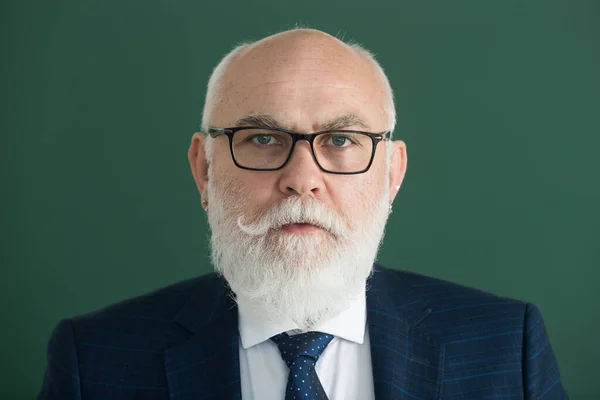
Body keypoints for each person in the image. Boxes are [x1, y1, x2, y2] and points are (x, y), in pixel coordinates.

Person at [37, 28, 567, 399]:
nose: (301, 178)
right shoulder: (96, 361)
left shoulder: (505, 348)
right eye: (263, 138)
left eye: (341, 139)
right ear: (204, 170)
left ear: (391, 175)